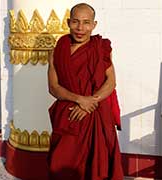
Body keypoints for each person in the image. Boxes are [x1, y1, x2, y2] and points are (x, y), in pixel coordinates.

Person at [47, 3, 123, 180]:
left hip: (96, 115)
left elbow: (111, 82)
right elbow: (53, 87)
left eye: (86, 22)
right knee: (60, 166)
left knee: (96, 167)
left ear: (94, 25)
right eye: (75, 22)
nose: (80, 28)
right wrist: (80, 99)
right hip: (69, 117)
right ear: (68, 22)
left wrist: (90, 101)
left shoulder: (100, 48)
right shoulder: (56, 51)